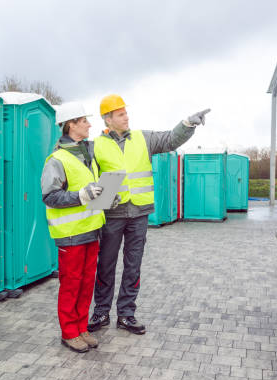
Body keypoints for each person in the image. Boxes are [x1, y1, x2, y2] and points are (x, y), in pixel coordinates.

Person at [88, 94, 210, 335]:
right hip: (112, 215)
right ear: (108, 119)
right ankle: (101, 311)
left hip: (139, 214)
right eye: (121, 114)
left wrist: (188, 123)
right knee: (105, 265)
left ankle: (126, 314)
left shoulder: (144, 138)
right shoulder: (95, 145)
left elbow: (170, 139)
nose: (126, 117)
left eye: (126, 113)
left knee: (133, 266)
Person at [41, 101, 118, 352]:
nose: (89, 124)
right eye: (84, 120)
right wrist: (81, 196)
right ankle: (69, 332)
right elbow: (50, 197)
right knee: (71, 284)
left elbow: (89, 189)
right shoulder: (56, 159)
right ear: (71, 124)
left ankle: (81, 328)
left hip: (91, 230)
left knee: (86, 283)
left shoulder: (87, 155)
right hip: (70, 234)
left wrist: (106, 197)